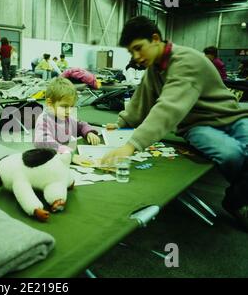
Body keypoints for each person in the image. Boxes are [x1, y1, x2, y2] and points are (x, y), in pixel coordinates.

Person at [101, 16, 248, 230]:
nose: (136, 57)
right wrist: (123, 122)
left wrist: (131, 145)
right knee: (231, 154)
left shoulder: (186, 61)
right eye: (131, 52)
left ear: (155, 39)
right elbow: (141, 101)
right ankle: (239, 202)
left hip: (230, 116)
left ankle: (236, 200)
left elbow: (168, 107)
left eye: (138, 48)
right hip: (196, 126)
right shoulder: (154, 70)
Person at [34, 77, 100, 155]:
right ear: (50, 103)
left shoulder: (67, 118)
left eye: (71, 106)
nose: (68, 111)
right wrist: (63, 150)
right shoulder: (44, 120)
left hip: (65, 155)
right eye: (64, 106)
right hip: (50, 158)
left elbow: (81, 125)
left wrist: (89, 132)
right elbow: (42, 141)